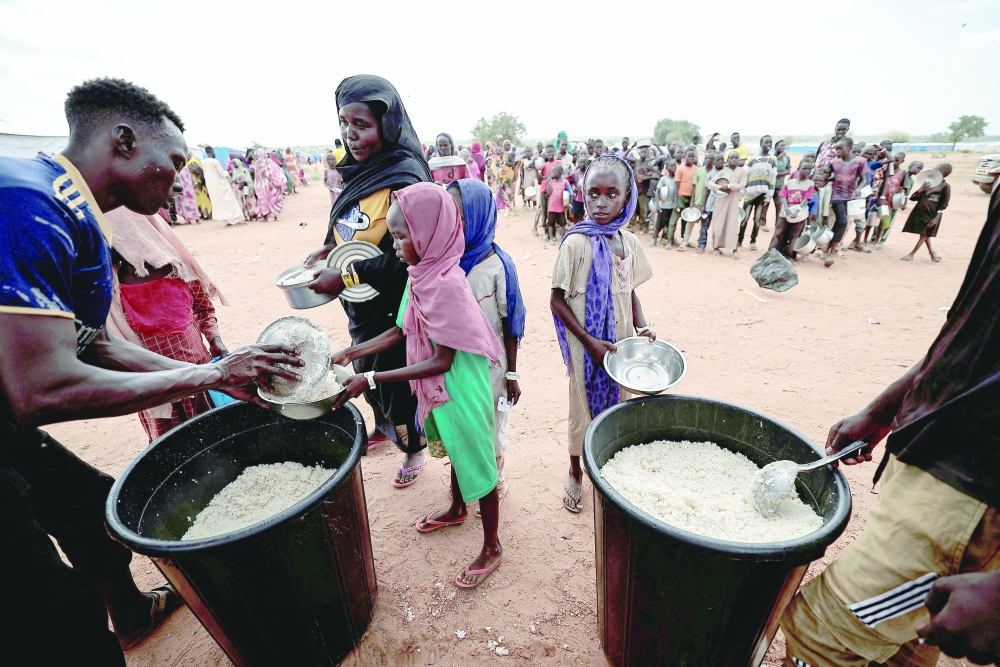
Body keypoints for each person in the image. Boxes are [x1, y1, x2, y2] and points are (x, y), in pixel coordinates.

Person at [0, 77, 300, 666]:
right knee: (52, 612)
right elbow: (43, 388)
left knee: (89, 508)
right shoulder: (29, 202)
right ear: (124, 140)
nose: (180, 179)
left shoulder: (75, 212)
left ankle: (134, 616)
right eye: (175, 161)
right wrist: (208, 377)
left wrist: (217, 368)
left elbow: (95, 347)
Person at [780, 183, 1000, 667]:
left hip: (973, 486)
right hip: (938, 436)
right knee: (910, 642)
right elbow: (980, 322)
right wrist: (888, 408)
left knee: (826, 634)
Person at [331, 184, 505, 589]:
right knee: (455, 448)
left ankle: (492, 545)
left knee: (476, 457)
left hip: (460, 386)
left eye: (401, 236)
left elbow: (443, 359)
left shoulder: (446, 284)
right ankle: (458, 507)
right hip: (440, 385)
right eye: (393, 235)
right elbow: (399, 329)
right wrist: (349, 353)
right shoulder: (421, 273)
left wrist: (370, 378)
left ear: (428, 233)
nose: (393, 245)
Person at [304, 74, 432, 489]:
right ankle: (384, 426)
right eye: (344, 123)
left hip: (393, 304)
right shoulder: (361, 168)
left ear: (388, 123)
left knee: (396, 376)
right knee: (364, 365)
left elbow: (404, 258)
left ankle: (413, 444)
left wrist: (343, 275)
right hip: (359, 300)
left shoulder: (404, 176)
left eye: (362, 125)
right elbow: (350, 221)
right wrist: (328, 248)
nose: (350, 135)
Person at [550, 156, 654, 513]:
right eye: (593, 193)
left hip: (620, 343)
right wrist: (588, 340)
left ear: (627, 197)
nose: (601, 202)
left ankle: (609, 467)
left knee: (617, 406)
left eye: (612, 194)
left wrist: (642, 327)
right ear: (583, 194)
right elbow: (557, 301)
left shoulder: (630, 243)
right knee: (582, 408)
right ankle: (575, 471)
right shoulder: (576, 244)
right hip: (586, 347)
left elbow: (630, 291)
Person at [105, 207, 230, 441]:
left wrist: (215, 340)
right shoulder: (111, 292)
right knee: (177, 447)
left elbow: (204, 308)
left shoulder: (179, 267)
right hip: (158, 392)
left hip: (199, 378)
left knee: (215, 438)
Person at [447, 179, 526, 512]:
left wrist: (512, 374)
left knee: (492, 424)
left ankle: (495, 480)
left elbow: (511, 324)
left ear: (480, 216)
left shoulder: (499, 266)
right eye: (448, 214)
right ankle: (464, 482)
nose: (453, 224)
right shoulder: (445, 259)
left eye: (461, 216)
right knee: (461, 423)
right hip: (454, 362)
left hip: (491, 366)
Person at [823, 137, 869, 267]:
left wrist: (859, 189)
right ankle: (831, 252)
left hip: (850, 198)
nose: (837, 151)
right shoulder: (834, 162)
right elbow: (828, 175)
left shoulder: (860, 161)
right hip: (837, 196)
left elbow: (863, 179)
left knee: (842, 223)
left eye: (840, 149)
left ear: (849, 148)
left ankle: (830, 249)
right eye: (836, 149)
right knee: (841, 222)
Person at [901, 164, 951, 263]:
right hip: (920, 212)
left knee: (924, 235)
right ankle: (932, 254)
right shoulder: (928, 183)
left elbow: (944, 205)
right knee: (925, 234)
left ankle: (911, 254)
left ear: (944, 173)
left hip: (932, 214)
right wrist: (920, 190)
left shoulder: (945, 186)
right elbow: (913, 198)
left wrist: (936, 218)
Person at [768, 156, 815, 259]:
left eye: (809, 169)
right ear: (798, 169)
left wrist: (797, 210)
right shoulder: (790, 182)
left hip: (800, 214)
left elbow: (806, 199)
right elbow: (784, 196)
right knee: (779, 232)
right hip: (786, 212)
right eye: (804, 168)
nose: (807, 171)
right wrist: (787, 209)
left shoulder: (810, 184)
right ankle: (772, 252)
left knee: (794, 235)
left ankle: (788, 255)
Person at [707, 151, 748, 258]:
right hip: (721, 202)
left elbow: (742, 184)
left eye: (736, 158)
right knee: (719, 223)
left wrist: (730, 186)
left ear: (739, 159)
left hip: (733, 202)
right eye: (731, 158)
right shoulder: (723, 172)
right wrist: (721, 187)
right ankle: (716, 247)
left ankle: (734, 249)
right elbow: (710, 184)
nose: (734, 160)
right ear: (727, 160)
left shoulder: (742, 171)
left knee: (732, 224)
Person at [740, 136, 778, 250]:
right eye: (766, 142)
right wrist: (742, 193)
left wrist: (769, 196)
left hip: (762, 194)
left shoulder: (773, 159)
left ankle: (753, 241)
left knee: (757, 219)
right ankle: (739, 239)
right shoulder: (753, 159)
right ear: (761, 144)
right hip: (750, 192)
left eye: (770, 142)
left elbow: (772, 178)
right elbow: (746, 176)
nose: (768, 144)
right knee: (744, 218)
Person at [874, 157, 920, 247]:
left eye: (920, 169)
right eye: (918, 167)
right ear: (910, 166)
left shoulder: (907, 178)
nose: (918, 170)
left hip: (894, 202)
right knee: (878, 219)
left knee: (887, 221)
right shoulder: (893, 172)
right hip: (885, 199)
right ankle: (874, 238)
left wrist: (904, 202)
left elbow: (907, 191)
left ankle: (882, 239)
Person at [202, 147, 245, 225]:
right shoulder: (215, 162)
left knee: (218, 203)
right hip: (221, 185)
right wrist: (227, 172)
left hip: (211, 186)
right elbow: (222, 174)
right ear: (212, 152)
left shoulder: (204, 162)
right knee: (229, 201)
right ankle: (236, 220)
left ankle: (225, 222)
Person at [674, 146, 699, 250]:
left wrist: (693, 201)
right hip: (681, 196)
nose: (691, 158)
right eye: (689, 156)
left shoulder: (697, 169)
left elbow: (695, 186)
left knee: (687, 219)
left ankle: (685, 240)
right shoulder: (680, 169)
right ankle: (670, 238)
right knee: (676, 218)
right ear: (685, 157)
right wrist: (675, 201)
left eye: (693, 156)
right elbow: (676, 186)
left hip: (691, 198)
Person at [699, 152, 724, 253]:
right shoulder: (710, 175)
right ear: (713, 162)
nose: (721, 162)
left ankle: (716, 247)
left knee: (718, 227)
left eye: (722, 160)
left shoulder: (726, 173)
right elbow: (707, 191)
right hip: (710, 204)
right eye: (718, 160)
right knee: (705, 226)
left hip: (721, 205)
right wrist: (704, 206)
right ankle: (702, 245)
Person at [651, 158, 677, 247]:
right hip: (663, 206)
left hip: (671, 206)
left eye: (675, 165)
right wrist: (657, 204)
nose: (674, 167)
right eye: (671, 166)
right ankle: (654, 240)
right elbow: (657, 192)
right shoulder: (663, 179)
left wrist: (675, 203)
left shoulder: (676, 179)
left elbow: (676, 192)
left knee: (670, 224)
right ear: (667, 167)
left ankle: (669, 241)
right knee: (659, 224)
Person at [254, 150, 286, 221]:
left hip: (261, 185)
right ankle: (274, 215)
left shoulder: (257, 163)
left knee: (263, 201)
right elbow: (275, 172)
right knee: (273, 199)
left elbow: (257, 176)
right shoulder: (270, 162)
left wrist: (256, 185)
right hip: (270, 184)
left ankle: (265, 216)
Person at [545, 164, 573, 244]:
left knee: (562, 224)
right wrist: (547, 182)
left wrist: (569, 204)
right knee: (550, 223)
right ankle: (551, 238)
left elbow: (571, 193)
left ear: (560, 172)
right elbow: (548, 192)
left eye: (554, 171)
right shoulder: (551, 182)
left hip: (561, 208)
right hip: (552, 207)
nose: (552, 173)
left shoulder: (565, 182)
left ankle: (562, 238)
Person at [186, 151, 212, 219]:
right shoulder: (189, 162)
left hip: (199, 184)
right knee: (199, 200)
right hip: (195, 185)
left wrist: (201, 182)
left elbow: (198, 171)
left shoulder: (192, 162)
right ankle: (203, 213)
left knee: (204, 199)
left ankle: (209, 213)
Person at [771, 140, 791, 227]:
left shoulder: (787, 158)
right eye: (781, 145)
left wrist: (777, 174)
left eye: (784, 146)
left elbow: (788, 171)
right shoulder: (771, 157)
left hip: (779, 185)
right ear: (776, 147)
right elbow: (769, 167)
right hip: (769, 185)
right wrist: (778, 157)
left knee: (779, 206)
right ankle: (762, 223)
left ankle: (777, 224)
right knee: (765, 205)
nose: (783, 147)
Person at [568, 156, 588, 223]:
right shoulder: (574, 173)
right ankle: (575, 227)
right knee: (575, 214)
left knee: (582, 214)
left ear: (586, 163)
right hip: (576, 198)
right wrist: (573, 186)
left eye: (584, 162)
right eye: (580, 162)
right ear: (578, 163)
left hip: (585, 199)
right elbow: (567, 180)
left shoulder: (588, 173)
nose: (582, 163)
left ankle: (580, 228)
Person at [519, 146, 539, 212]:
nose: (528, 153)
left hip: (534, 179)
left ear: (531, 153)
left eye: (529, 151)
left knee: (534, 192)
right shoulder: (524, 160)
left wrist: (533, 164)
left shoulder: (535, 159)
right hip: (526, 179)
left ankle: (534, 206)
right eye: (526, 152)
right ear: (524, 153)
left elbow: (537, 166)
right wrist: (533, 163)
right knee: (527, 191)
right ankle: (527, 206)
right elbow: (529, 165)